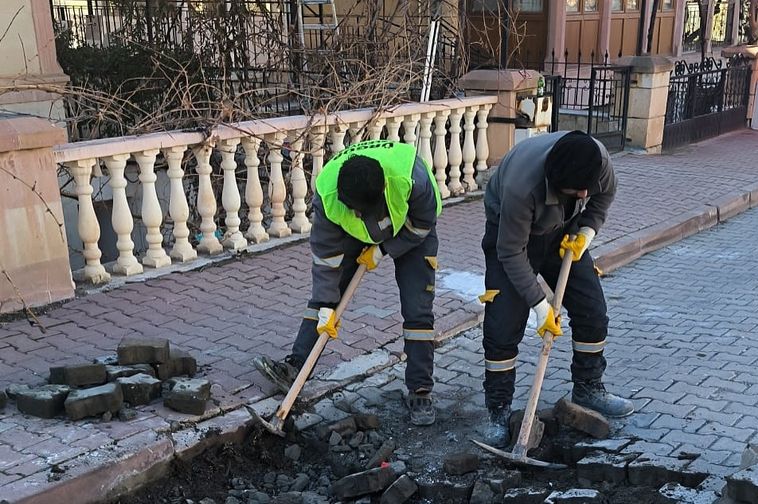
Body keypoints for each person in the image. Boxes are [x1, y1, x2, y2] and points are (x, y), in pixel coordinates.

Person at [254, 139, 442, 426]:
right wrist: (327, 307)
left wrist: (385, 249)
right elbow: (327, 259)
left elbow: (422, 224)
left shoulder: (412, 179)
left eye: (359, 211)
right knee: (322, 301)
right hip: (353, 234)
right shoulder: (329, 195)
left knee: (417, 309)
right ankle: (296, 367)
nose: (353, 214)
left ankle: (420, 390)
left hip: (409, 231)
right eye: (351, 209)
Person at [479, 130, 634, 447]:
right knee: (503, 324)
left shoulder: (596, 159)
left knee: (592, 309)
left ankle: (588, 387)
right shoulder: (521, 189)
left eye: (585, 191)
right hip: (511, 235)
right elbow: (510, 252)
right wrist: (540, 306)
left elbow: (604, 195)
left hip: (564, 231)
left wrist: (586, 231)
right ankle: (498, 410)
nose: (583, 196)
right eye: (577, 192)